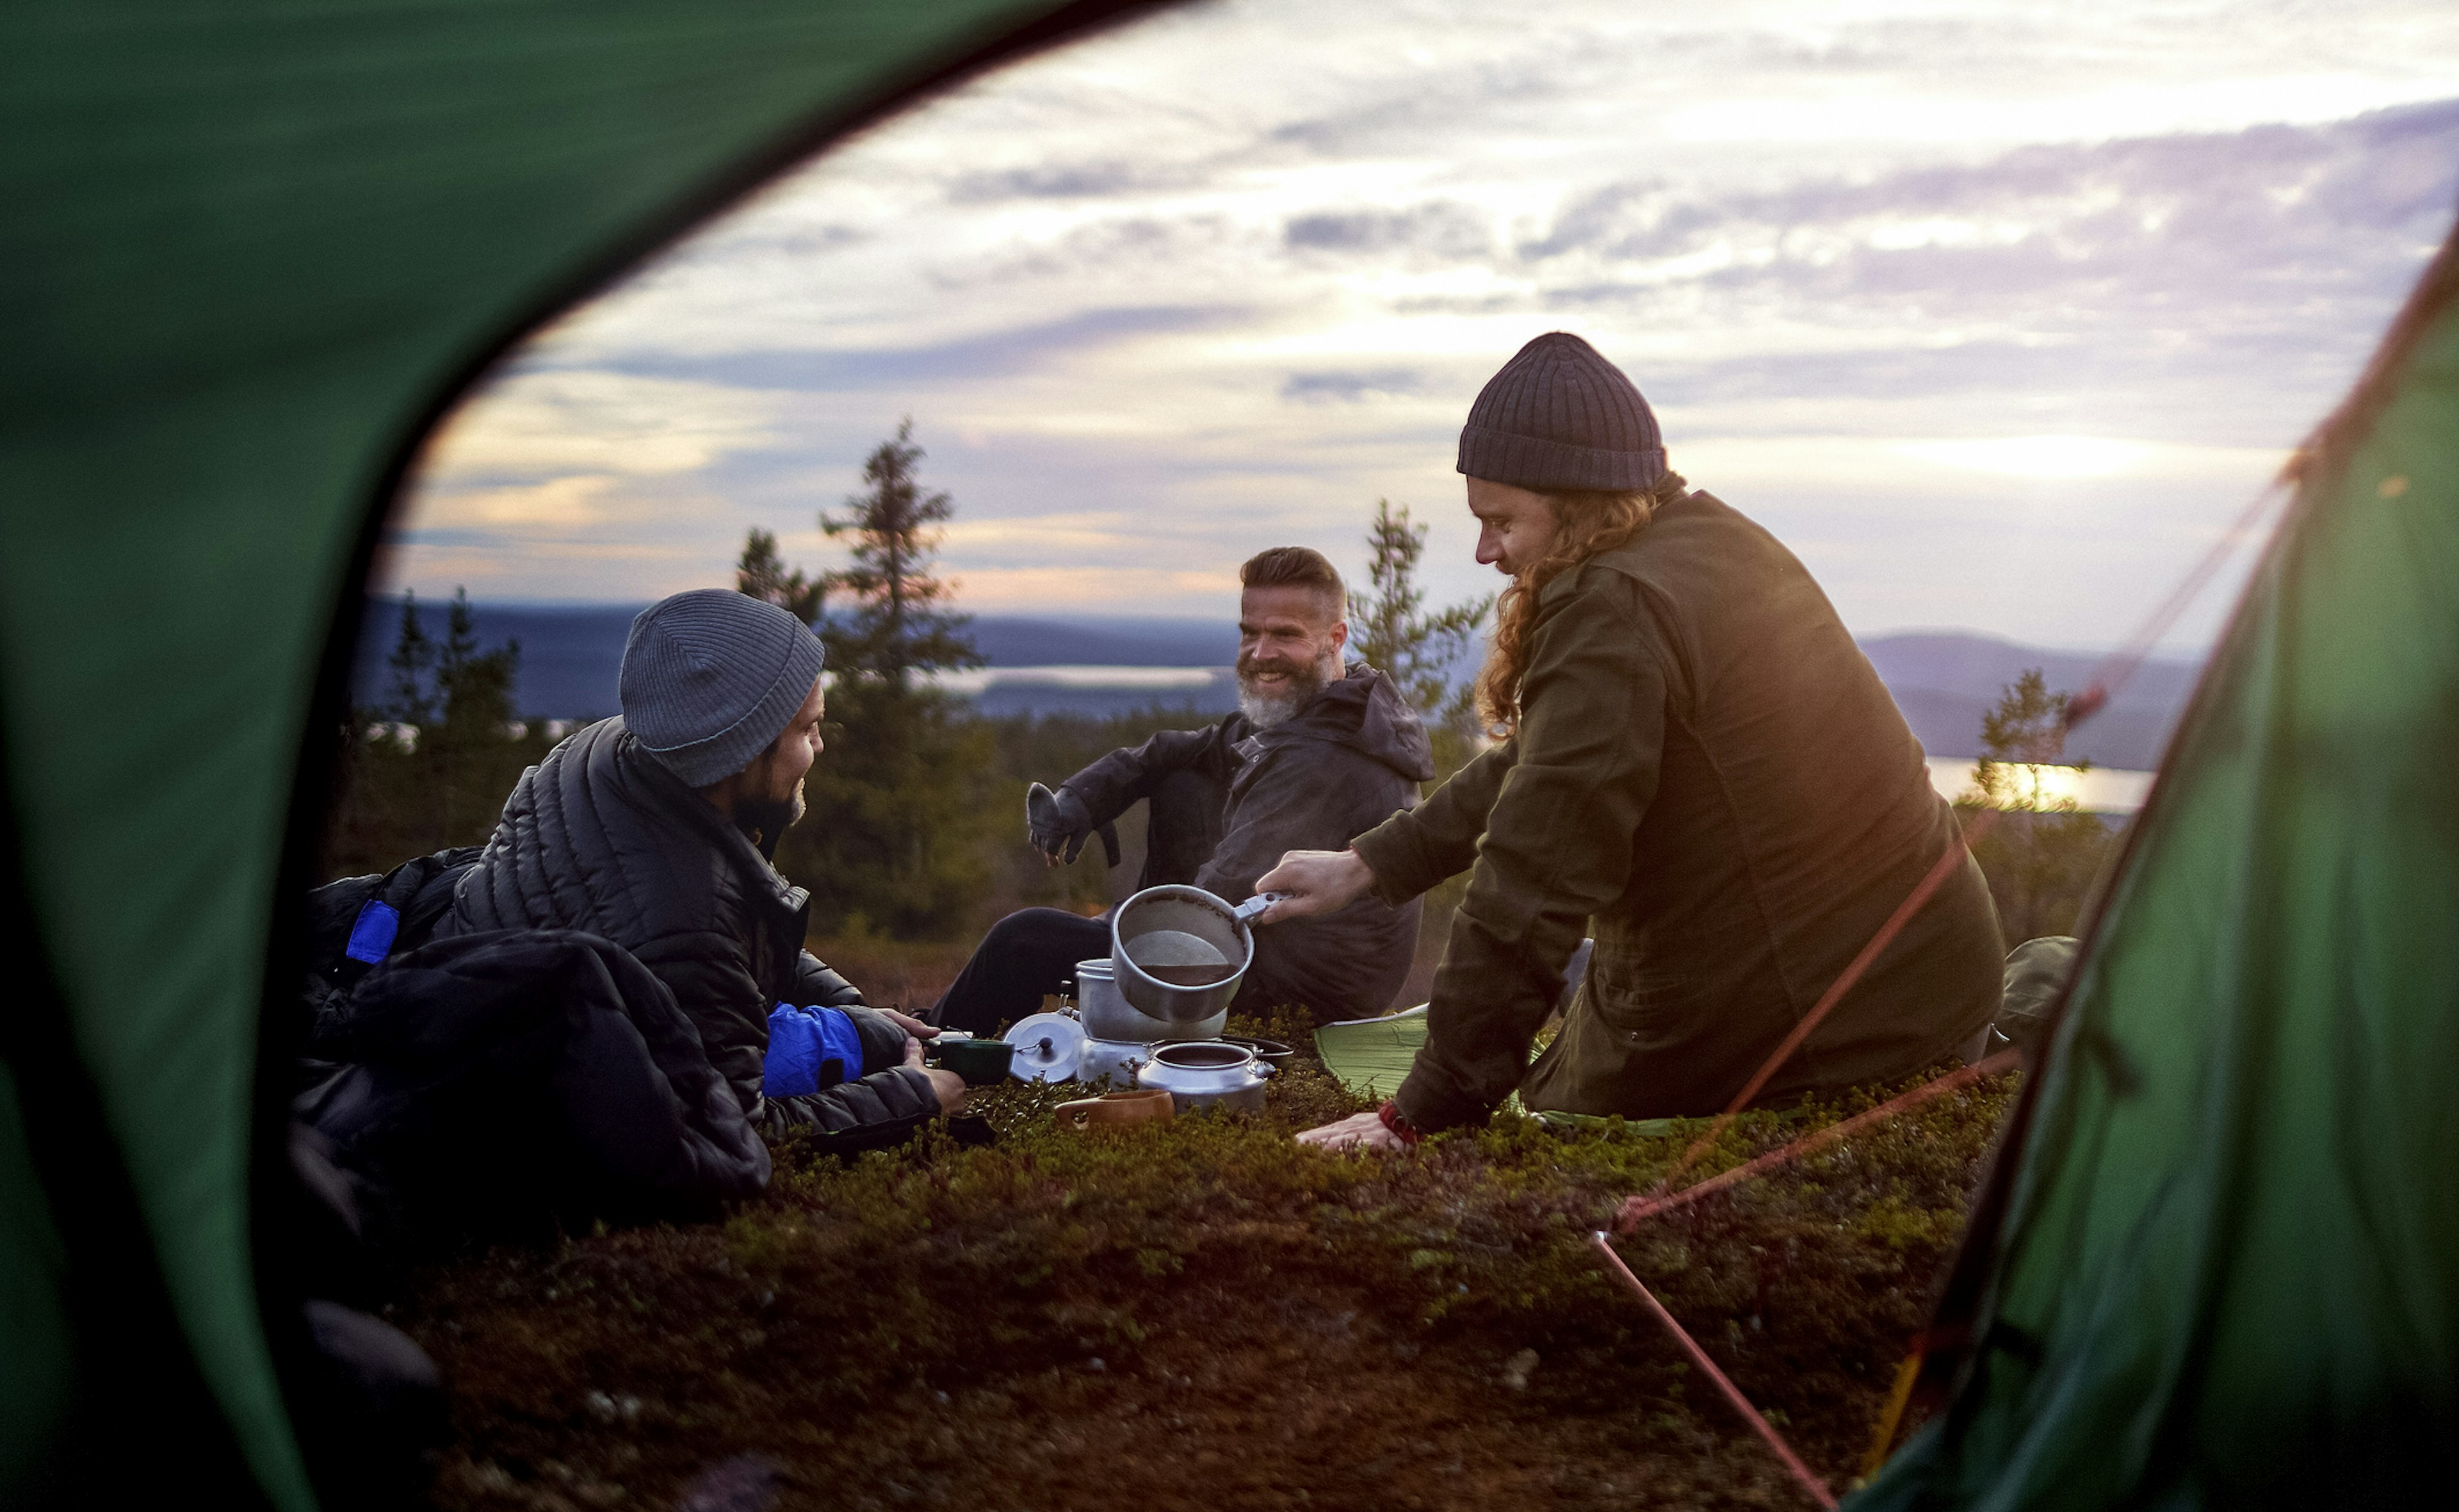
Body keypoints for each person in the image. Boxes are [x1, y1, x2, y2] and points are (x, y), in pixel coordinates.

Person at [1258, 332, 2005, 1149]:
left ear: (1577, 505)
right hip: (1930, 978)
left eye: (1502, 521)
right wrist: (1371, 864)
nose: (1485, 551)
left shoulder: (1612, 609)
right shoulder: (1711, 539)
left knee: (1581, 1071)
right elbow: (1548, 757)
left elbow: (1534, 876)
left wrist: (1422, 1113)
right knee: (1586, 995)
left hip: (1830, 1034)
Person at [435, 587, 965, 1139]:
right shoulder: (686, 916)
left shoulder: (610, 747)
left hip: (464, 1001)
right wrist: (913, 1095)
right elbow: (736, 1134)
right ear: (742, 748)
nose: (821, 748)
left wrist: (849, 1007)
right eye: (808, 730)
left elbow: (732, 946)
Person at [929, 548, 1434, 1035]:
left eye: (1285, 635)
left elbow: (1214, 909)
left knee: (1020, 941)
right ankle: (958, 1026)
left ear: (1336, 637)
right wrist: (1085, 799)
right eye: (1250, 633)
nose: (1261, 653)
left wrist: (1109, 931)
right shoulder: (1329, 706)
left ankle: (929, 1047)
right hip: (1276, 947)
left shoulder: (1323, 759)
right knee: (1183, 782)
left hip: (1300, 994)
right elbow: (1185, 749)